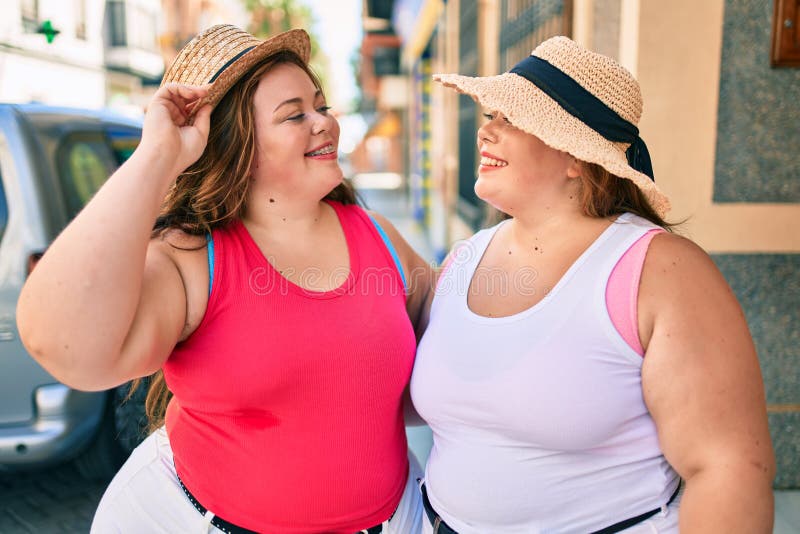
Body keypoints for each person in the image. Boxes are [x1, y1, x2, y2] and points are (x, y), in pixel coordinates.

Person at [17, 25, 431, 533]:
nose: (324, 123)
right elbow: (61, 345)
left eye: (320, 105)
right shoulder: (191, 259)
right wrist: (157, 156)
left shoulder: (378, 235)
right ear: (238, 147)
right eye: (294, 115)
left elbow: (450, 356)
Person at [410, 36, 775, 533]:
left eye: (509, 119)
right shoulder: (462, 260)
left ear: (574, 156)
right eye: (490, 115)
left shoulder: (659, 271)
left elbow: (727, 469)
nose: (485, 132)